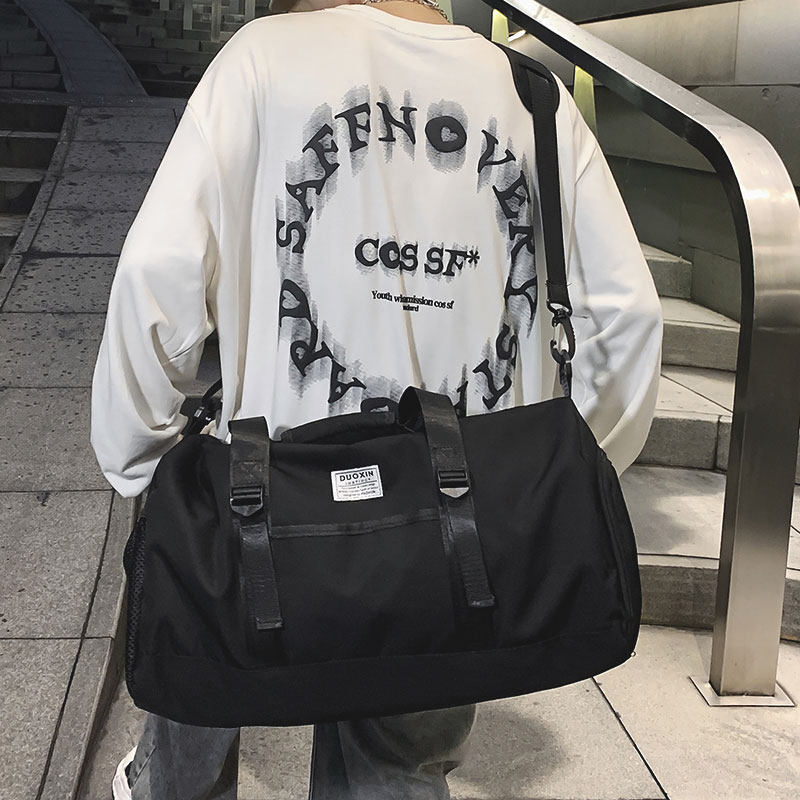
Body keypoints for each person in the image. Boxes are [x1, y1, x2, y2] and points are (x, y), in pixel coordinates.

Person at [91, 1, 663, 798]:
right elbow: (628, 315)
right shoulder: (533, 96)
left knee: (203, 679)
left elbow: (157, 276)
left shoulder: (263, 59)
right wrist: (549, 477)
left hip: (269, 494)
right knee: (398, 760)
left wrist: (140, 457)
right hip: (454, 520)